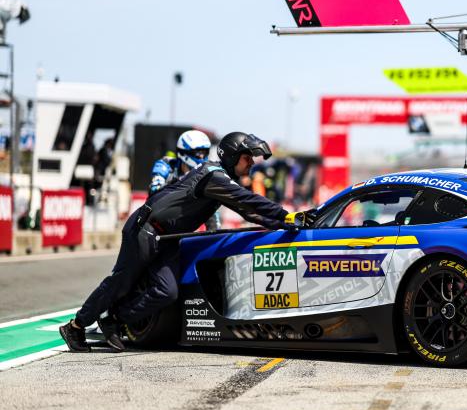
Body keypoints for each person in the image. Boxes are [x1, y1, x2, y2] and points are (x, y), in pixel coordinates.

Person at [60, 132, 314, 353]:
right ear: (233, 156)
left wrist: (286, 223)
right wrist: (284, 214)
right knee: (120, 282)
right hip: (145, 230)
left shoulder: (222, 179)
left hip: (168, 238)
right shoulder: (214, 176)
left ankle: (114, 319)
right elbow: (248, 200)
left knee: (167, 291)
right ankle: (76, 326)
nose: (251, 164)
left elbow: (248, 211)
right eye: (247, 158)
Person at [149, 130, 212, 194]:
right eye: (198, 153)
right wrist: (177, 182)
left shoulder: (207, 170)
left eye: (205, 152)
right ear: (183, 152)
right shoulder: (166, 164)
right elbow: (154, 189)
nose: (202, 156)